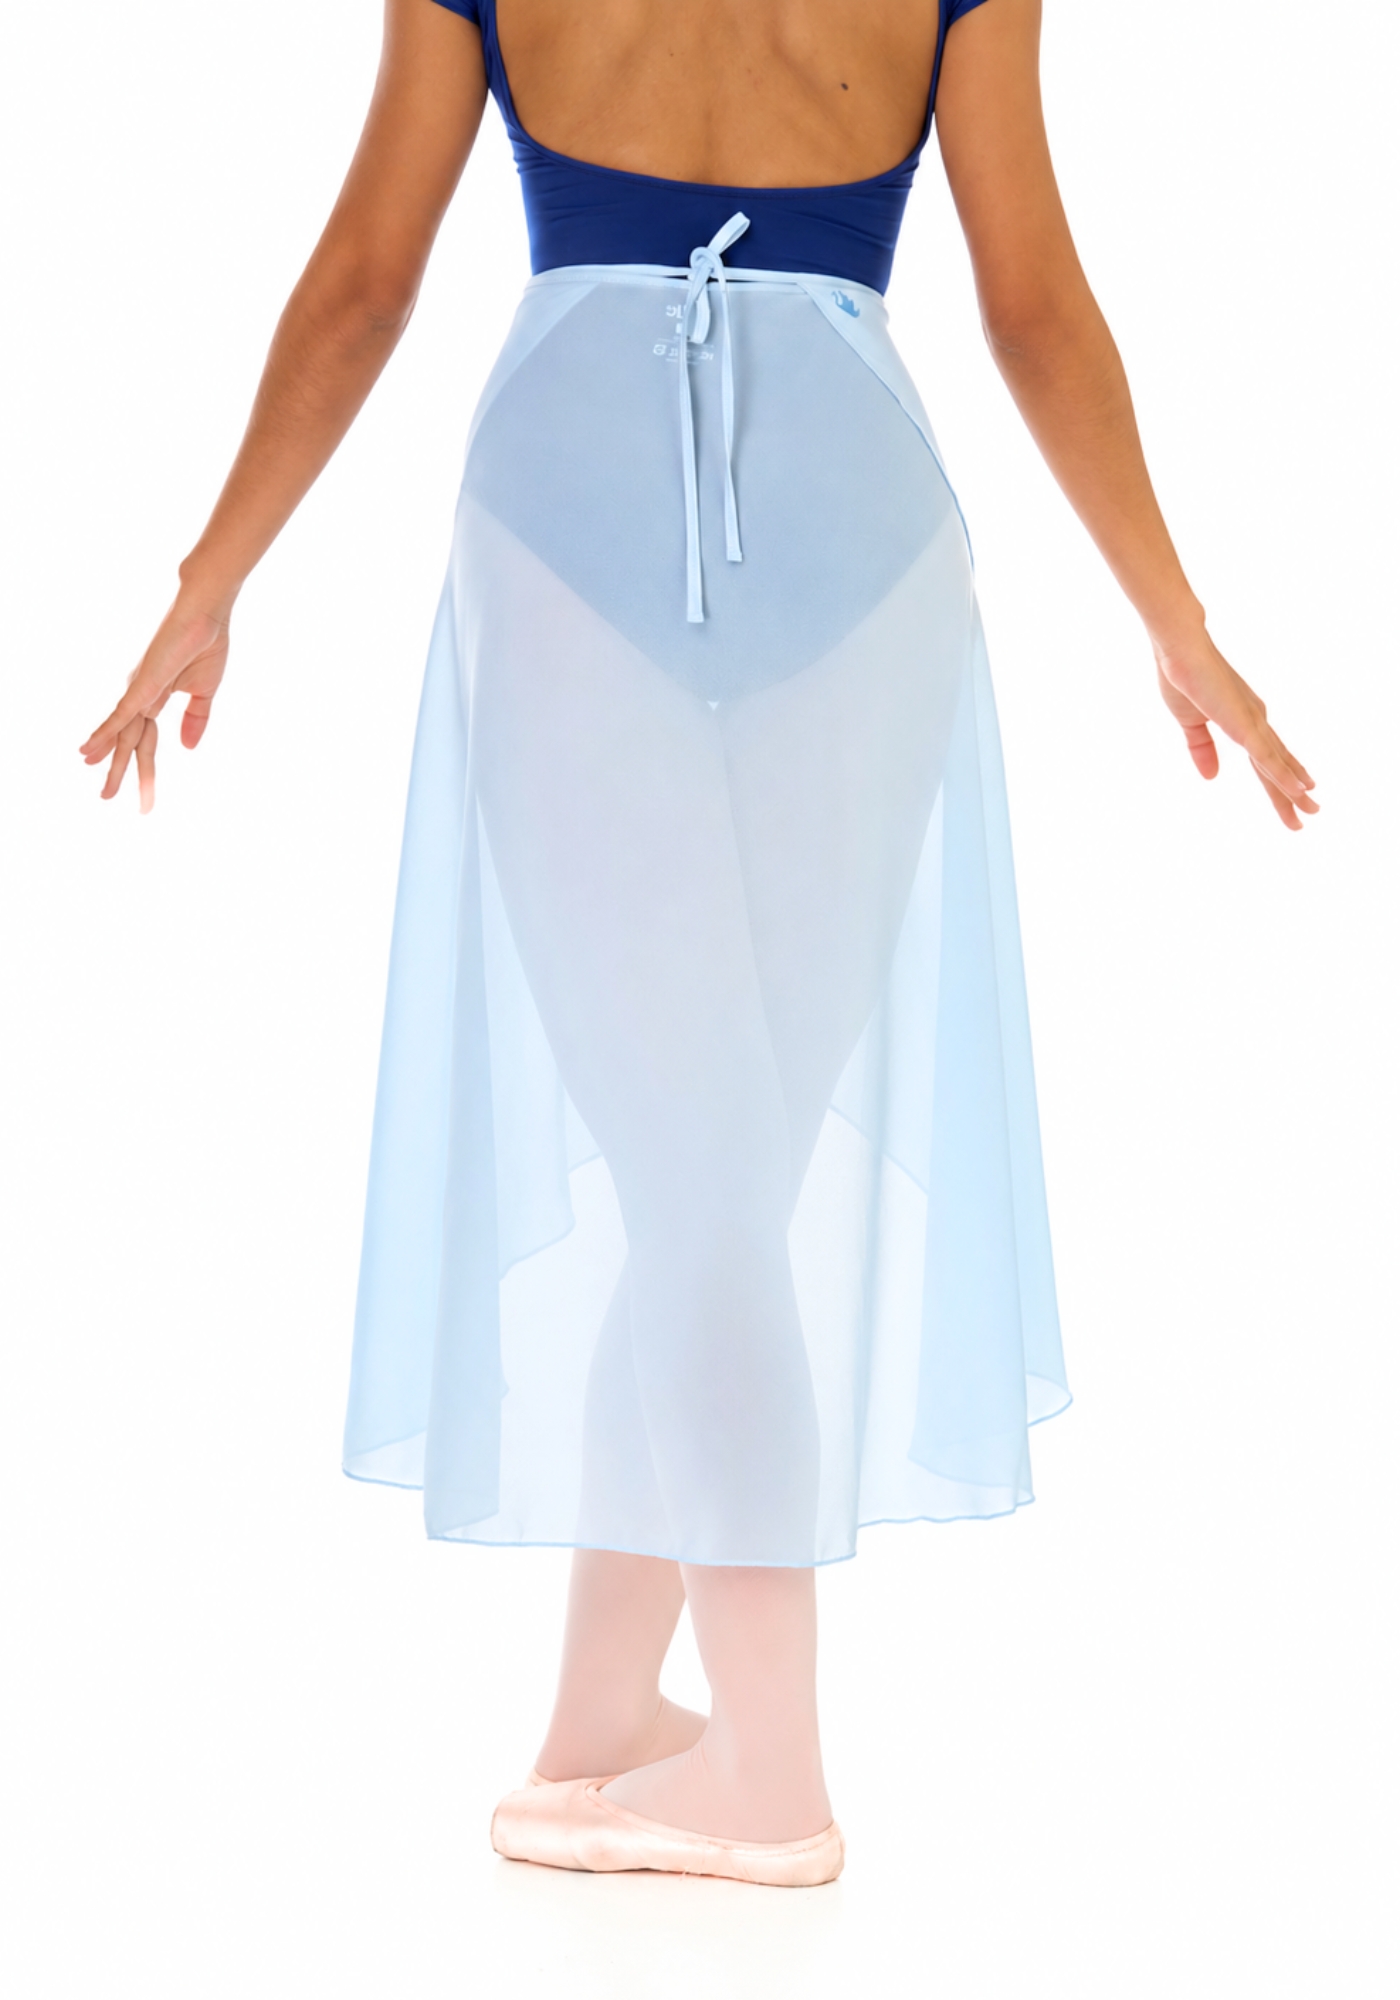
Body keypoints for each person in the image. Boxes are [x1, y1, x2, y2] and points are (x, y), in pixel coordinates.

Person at [79, 0, 1317, 1889]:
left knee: (699, 1176)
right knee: (710, 1172)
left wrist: (207, 579)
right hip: (861, 537)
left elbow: (361, 287)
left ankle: (770, 1772)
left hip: (565, 526)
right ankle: (601, 1719)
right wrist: (1176, 618)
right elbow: (1034, 304)